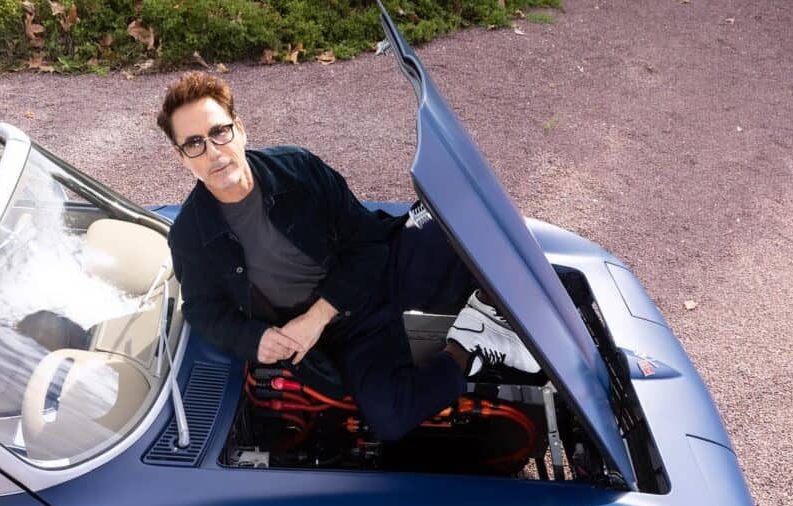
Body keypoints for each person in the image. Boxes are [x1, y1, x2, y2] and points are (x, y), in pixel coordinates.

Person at [158, 73, 540, 441]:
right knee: (389, 418)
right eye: (194, 143)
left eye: (218, 132)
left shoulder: (298, 168)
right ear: (181, 157)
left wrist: (316, 315)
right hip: (344, 333)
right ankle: (468, 344)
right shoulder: (190, 235)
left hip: (380, 271)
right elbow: (202, 308)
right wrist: (254, 338)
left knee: (466, 217)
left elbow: (367, 243)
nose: (213, 152)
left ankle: (512, 308)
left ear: (239, 129)